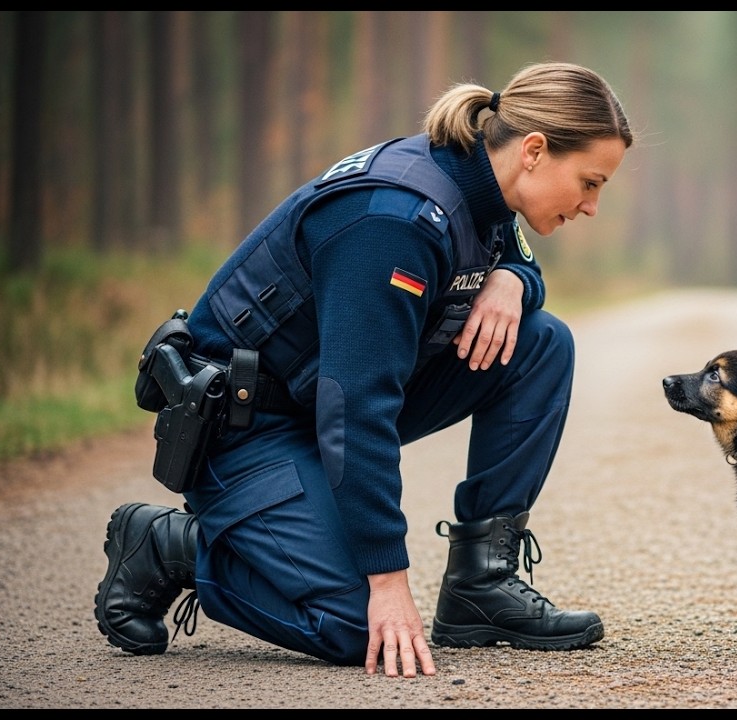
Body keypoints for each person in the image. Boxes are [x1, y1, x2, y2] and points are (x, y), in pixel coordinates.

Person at [93, 61, 634, 678]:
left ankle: (480, 587)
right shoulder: (392, 222)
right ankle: (173, 547)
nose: (592, 205)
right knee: (358, 627)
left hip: (316, 405)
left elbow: (517, 259)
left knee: (540, 343)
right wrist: (388, 577)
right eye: (589, 182)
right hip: (247, 429)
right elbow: (357, 407)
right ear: (534, 150)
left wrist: (514, 279)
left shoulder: (484, 187)